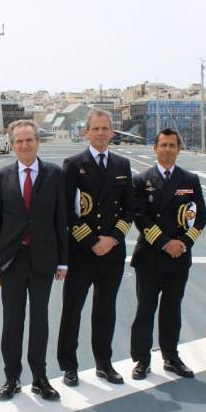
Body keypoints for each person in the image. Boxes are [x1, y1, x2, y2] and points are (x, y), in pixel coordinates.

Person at [0, 119, 69, 401]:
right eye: (19, 141)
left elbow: (61, 219)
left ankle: (39, 378)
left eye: (29, 140)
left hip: (43, 258)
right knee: (12, 321)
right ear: (12, 145)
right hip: (11, 260)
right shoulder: (1, 177)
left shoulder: (55, 174)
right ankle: (12, 377)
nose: (24, 145)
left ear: (38, 142)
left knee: (39, 321)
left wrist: (63, 261)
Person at [57, 109, 135, 386]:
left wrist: (112, 239)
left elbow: (129, 208)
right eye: (96, 128)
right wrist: (92, 241)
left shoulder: (122, 165)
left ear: (112, 132)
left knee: (105, 309)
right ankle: (69, 366)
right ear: (86, 132)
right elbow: (66, 209)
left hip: (112, 251)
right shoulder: (73, 164)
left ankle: (104, 363)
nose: (101, 133)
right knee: (72, 309)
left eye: (105, 128)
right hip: (82, 251)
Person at [130, 128, 206, 380]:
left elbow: (200, 218)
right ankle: (142, 360)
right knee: (145, 310)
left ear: (178, 149)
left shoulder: (190, 180)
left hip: (178, 257)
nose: (167, 149)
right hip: (150, 256)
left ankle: (171, 357)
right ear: (155, 148)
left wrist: (182, 244)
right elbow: (140, 216)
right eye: (163, 145)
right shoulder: (141, 180)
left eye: (172, 145)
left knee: (172, 310)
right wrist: (165, 243)